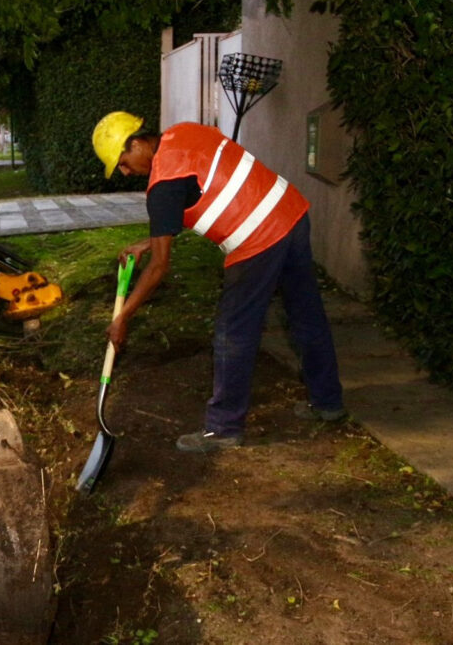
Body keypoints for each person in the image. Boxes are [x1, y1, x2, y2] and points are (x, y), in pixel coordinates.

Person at [92, 112, 346, 453]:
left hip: (258, 238)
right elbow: (206, 186)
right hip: (289, 212)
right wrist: (147, 242)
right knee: (305, 314)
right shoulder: (182, 134)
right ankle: (328, 401)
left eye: (123, 162)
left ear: (136, 143)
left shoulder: (163, 184)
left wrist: (123, 318)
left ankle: (224, 428)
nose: (125, 172)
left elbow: (159, 267)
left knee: (233, 330)